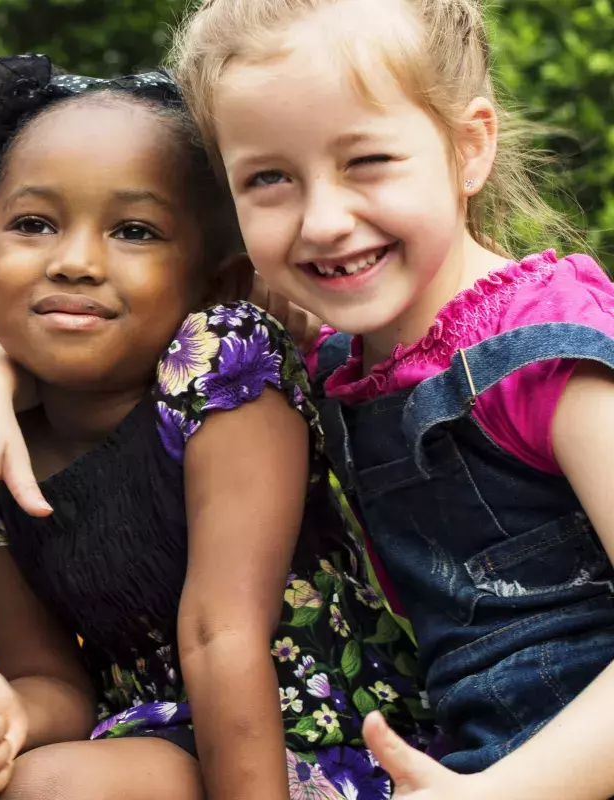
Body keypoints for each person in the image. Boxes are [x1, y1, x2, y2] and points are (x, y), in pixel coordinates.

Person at [0, 54, 427, 800]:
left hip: (307, 741)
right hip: (145, 741)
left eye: (135, 230)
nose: (74, 262)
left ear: (217, 283)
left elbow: (220, 633)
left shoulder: (222, 363)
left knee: (52, 789)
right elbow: (51, 682)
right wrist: (3, 717)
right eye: (35, 224)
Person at [169, 0, 614, 795]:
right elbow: (103, 344)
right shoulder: (332, 361)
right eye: (269, 178)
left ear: (469, 148)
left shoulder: (549, 350)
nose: (323, 221)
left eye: (367, 160)